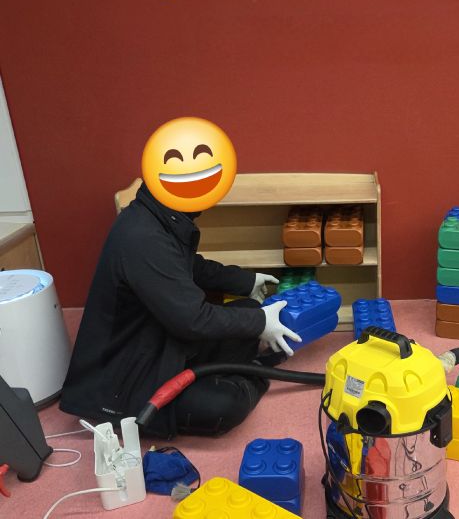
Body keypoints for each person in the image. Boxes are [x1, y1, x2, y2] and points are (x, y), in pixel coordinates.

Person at [59, 182, 301, 438]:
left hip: (158, 339)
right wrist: (259, 322)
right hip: (125, 377)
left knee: (249, 310)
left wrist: (245, 281)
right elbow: (193, 319)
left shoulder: (155, 215)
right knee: (224, 405)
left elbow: (186, 266)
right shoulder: (141, 237)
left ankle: (233, 370)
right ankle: (250, 372)